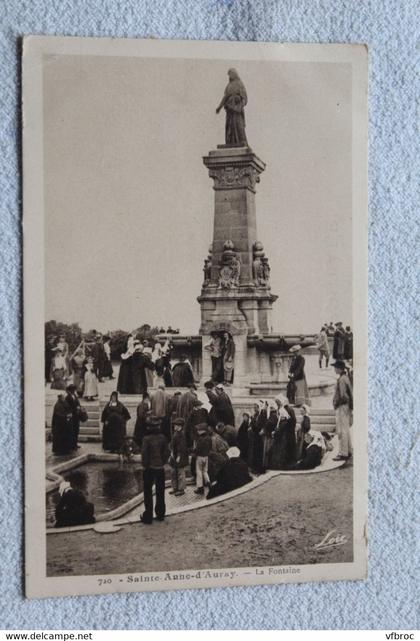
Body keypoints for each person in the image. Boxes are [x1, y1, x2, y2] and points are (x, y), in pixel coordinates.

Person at [140, 416, 170, 524]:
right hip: (160, 468)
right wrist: (162, 461)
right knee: (160, 492)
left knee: (148, 492)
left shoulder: (146, 439)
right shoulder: (163, 438)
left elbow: (144, 454)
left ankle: (148, 516)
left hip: (149, 468)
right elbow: (167, 452)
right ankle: (160, 514)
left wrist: (145, 465)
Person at [216, 68, 248, 146]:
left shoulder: (240, 84)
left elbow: (245, 97)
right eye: (229, 75)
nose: (229, 76)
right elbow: (225, 97)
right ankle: (230, 142)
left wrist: (241, 105)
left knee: (238, 126)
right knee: (229, 127)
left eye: (230, 74)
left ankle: (241, 141)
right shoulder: (229, 86)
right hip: (229, 109)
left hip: (237, 109)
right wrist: (219, 107)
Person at [331, 360, 353, 461]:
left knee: (341, 430)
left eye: (335, 368)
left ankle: (343, 453)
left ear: (339, 369)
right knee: (346, 429)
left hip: (342, 406)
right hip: (346, 406)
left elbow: (343, 396)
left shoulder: (342, 380)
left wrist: (336, 404)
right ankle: (348, 450)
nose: (334, 369)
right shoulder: (345, 378)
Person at [269, 395, 297, 470]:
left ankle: (283, 465)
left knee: (284, 450)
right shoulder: (285, 409)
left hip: (286, 433)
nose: (277, 404)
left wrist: (277, 431)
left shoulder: (285, 410)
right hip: (287, 432)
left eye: (278, 402)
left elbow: (283, 423)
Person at [169, 418, 188, 496]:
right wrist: (171, 453)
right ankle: (175, 487)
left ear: (180, 426)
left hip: (180, 457)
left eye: (176, 425)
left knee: (180, 473)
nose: (174, 426)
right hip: (174, 456)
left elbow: (182, 447)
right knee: (174, 472)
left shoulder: (182, 435)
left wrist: (179, 456)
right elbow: (172, 445)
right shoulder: (175, 433)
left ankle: (181, 489)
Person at [65, 384, 85, 451]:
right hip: (72, 417)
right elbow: (68, 407)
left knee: (76, 430)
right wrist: (75, 409)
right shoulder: (67, 397)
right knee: (72, 431)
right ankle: (72, 445)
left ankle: (75, 444)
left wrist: (79, 407)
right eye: (73, 390)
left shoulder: (74, 396)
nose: (74, 391)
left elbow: (78, 403)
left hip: (76, 416)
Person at [194, 424, 212, 495]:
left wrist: (194, 452)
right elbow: (210, 447)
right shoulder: (209, 438)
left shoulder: (200, 439)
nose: (198, 431)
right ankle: (208, 482)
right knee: (205, 471)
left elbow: (197, 449)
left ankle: (200, 488)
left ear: (202, 431)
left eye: (199, 430)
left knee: (199, 472)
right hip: (206, 456)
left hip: (200, 457)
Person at [248, 401, 266, 474]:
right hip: (255, 435)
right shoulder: (255, 415)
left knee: (259, 453)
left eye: (256, 407)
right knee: (255, 452)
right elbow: (253, 424)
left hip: (259, 436)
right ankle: (254, 468)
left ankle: (259, 469)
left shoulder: (262, 414)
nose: (254, 408)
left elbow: (258, 425)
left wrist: (253, 421)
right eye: (254, 407)